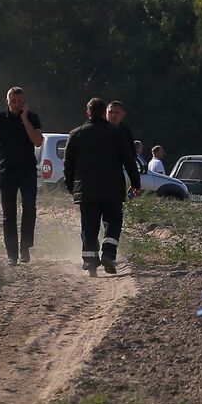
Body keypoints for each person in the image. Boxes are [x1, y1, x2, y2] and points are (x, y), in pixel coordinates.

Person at [63, 97, 141, 276]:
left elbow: (68, 163)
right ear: (104, 113)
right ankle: (108, 254)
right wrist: (135, 183)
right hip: (112, 188)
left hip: (86, 188)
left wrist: (70, 185)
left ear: (88, 113)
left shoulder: (76, 133)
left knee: (89, 225)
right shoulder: (117, 133)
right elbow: (129, 161)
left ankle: (90, 261)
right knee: (113, 221)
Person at [0, 87, 43, 265]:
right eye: (13, 101)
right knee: (8, 214)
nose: (17, 104)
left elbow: (38, 141)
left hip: (27, 171)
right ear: (7, 101)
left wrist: (25, 120)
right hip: (6, 171)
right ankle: (12, 254)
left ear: (24, 101)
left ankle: (25, 248)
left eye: (20, 101)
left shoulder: (32, 117)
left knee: (29, 207)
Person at [106, 101, 145, 172]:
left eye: (117, 112)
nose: (113, 115)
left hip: (118, 173)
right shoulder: (99, 129)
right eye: (110, 112)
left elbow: (131, 157)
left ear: (123, 114)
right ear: (106, 114)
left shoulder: (126, 132)